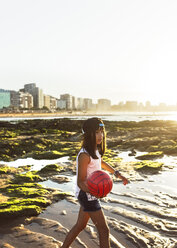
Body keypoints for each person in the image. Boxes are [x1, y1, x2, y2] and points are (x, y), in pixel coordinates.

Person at [61, 117, 128, 248]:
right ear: (88, 134)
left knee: (80, 226)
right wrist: (96, 192)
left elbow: (100, 162)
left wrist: (117, 173)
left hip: (89, 194)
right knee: (104, 230)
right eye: (97, 132)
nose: (100, 135)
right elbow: (80, 182)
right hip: (87, 194)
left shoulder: (94, 150)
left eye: (102, 132)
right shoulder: (84, 155)